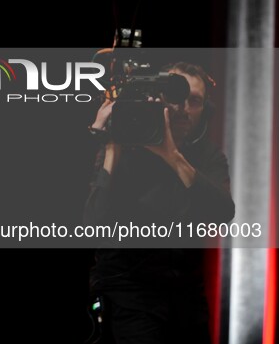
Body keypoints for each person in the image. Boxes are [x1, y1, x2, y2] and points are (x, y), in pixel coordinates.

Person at [82, 61, 235, 344]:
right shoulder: (125, 146)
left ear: (205, 112)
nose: (183, 108)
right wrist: (112, 147)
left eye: (195, 101)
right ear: (161, 98)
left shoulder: (208, 157)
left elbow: (223, 213)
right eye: (177, 96)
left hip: (186, 293)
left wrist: (172, 156)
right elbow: (93, 223)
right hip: (129, 291)